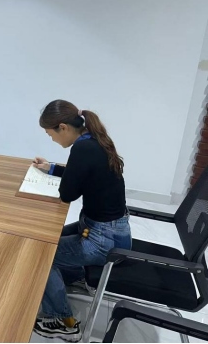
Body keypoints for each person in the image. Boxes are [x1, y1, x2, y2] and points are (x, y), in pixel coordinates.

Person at [32, 100, 131, 342]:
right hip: (110, 231)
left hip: (103, 240)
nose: (53, 140)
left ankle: (62, 321)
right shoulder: (93, 140)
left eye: (51, 134)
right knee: (50, 239)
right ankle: (75, 276)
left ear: (63, 127)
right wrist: (51, 168)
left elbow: (67, 193)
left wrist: (60, 175)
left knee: (42, 253)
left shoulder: (82, 149)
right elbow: (81, 174)